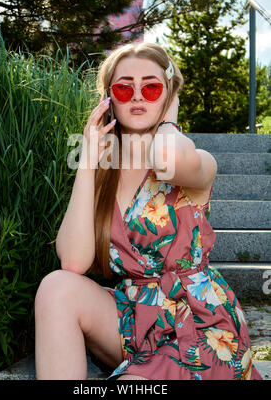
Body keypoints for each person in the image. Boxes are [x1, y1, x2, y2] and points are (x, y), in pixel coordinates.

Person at [34, 42, 262, 380]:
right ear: (109, 99)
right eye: (124, 88)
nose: (138, 96)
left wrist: (170, 116)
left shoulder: (195, 161)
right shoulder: (103, 175)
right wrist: (88, 159)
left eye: (152, 87)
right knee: (56, 287)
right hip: (135, 315)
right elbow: (73, 263)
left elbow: (166, 160)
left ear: (168, 95)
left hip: (200, 323)